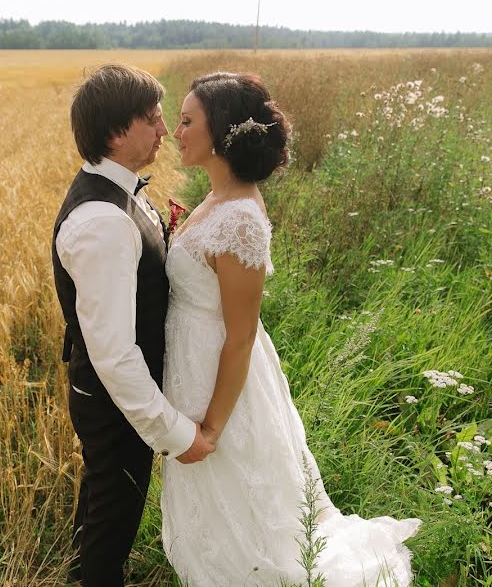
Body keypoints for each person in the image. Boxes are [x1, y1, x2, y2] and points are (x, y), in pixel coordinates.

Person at [160, 72, 421, 586]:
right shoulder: (217, 199)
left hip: (222, 376)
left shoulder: (240, 220)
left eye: (188, 121)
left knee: (239, 492)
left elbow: (240, 335)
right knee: (213, 501)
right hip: (193, 364)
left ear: (222, 133)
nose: (176, 131)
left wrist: (211, 426)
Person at [51, 64, 215, 587]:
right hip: (111, 399)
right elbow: (115, 355)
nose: (166, 130)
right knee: (114, 512)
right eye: (152, 120)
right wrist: (172, 433)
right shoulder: (102, 222)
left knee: (106, 496)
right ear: (117, 132)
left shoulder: (118, 192)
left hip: (110, 393)